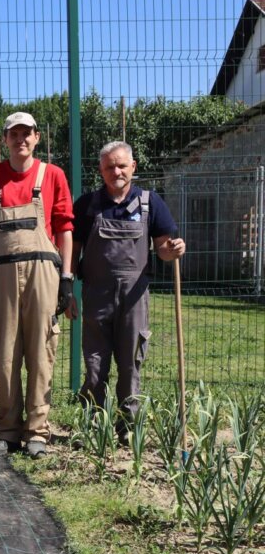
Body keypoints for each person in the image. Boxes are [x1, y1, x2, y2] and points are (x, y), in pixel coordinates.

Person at [70, 141, 185, 441]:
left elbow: (162, 248)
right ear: (101, 170)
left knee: (130, 362)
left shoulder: (150, 203)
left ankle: (127, 427)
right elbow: (74, 248)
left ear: (133, 167)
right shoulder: (87, 205)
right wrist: (67, 285)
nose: (116, 171)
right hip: (96, 295)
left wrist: (174, 250)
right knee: (95, 362)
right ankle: (93, 425)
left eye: (122, 165)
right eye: (109, 166)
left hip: (135, 297)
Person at [0, 112, 74, 458]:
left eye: (26, 133)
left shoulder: (52, 175)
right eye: (13, 134)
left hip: (43, 273)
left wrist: (66, 278)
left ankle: (37, 432)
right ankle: (7, 429)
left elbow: (64, 227)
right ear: (5, 139)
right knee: (4, 353)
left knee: (41, 350)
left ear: (36, 137)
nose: (20, 140)